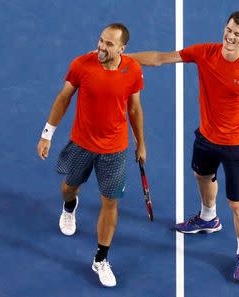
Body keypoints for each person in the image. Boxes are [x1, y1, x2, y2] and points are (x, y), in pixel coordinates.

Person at [128, 11, 239, 283]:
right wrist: (125, 58)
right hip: (206, 137)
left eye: (237, 34)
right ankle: (208, 218)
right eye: (229, 29)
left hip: (237, 144)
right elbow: (161, 58)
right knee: (201, 176)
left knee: (237, 204)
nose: (230, 37)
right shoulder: (204, 53)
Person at [37, 23, 146, 287]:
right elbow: (63, 98)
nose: (101, 47)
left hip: (115, 150)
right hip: (82, 144)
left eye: (109, 44)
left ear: (122, 48)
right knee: (68, 188)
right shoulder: (81, 65)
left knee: (110, 203)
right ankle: (69, 207)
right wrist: (46, 134)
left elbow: (134, 109)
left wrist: (140, 143)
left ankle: (101, 258)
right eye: (101, 40)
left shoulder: (133, 70)